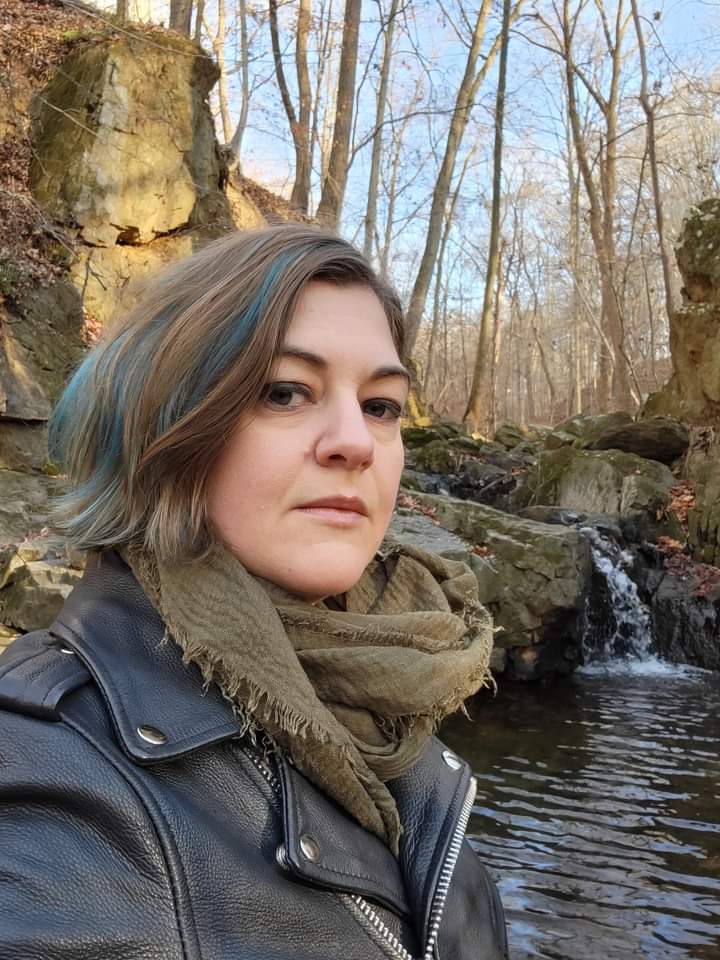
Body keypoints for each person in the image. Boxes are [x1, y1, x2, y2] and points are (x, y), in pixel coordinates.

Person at [0, 224, 508, 960]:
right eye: (285, 392)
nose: (355, 442)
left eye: (382, 404)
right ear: (168, 429)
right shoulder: (48, 769)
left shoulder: (393, 690)